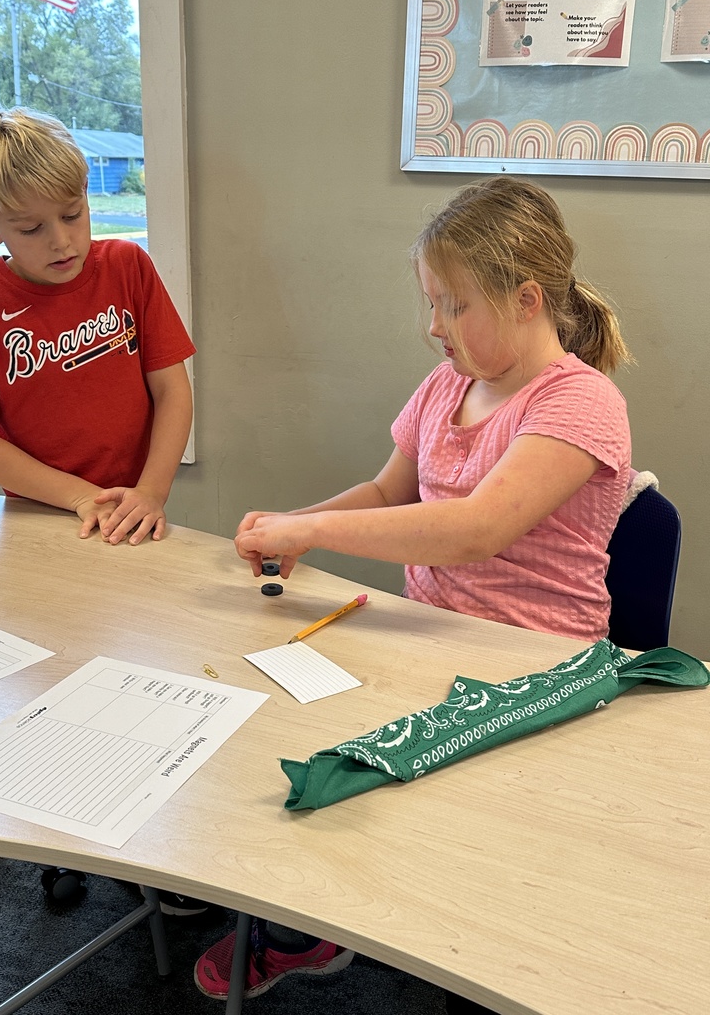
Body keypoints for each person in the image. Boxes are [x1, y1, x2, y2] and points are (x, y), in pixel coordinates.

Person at [193, 176, 632, 1001]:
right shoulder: (448, 384)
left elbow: (473, 530)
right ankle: (307, 928)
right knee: (276, 735)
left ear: (526, 299)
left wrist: (312, 534)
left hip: (532, 671)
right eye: (430, 303)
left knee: (408, 808)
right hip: (429, 641)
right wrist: (291, 522)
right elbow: (390, 492)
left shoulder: (583, 404)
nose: (433, 326)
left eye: (452, 305)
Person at [0, 107, 195, 546]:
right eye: (31, 228)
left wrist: (152, 490)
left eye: (73, 215)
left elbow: (172, 390)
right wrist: (82, 497)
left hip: (135, 503)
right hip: (37, 513)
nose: (60, 241)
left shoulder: (127, 265)